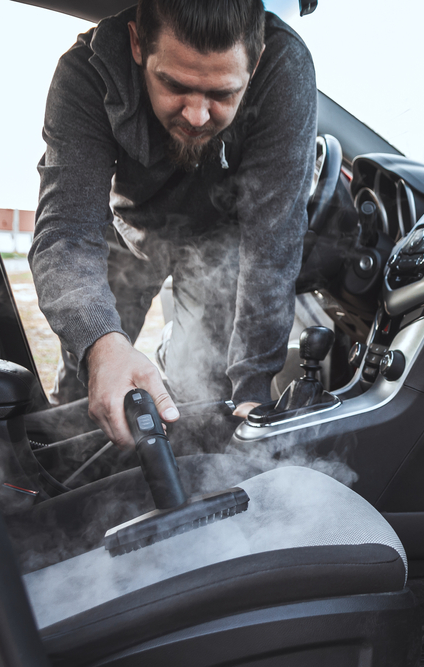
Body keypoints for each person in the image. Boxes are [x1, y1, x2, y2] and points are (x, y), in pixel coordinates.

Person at [29, 0, 317, 447]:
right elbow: (65, 233)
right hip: (126, 233)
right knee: (88, 379)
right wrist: (103, 344)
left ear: (255, 63)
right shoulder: (87, 72)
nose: (197, 115)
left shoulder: (285, 69)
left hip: (217, 244)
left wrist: (254, 388)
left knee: (201, 397)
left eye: (222, 94)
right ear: (138, 44)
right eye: (174, 84)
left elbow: (272, 244)